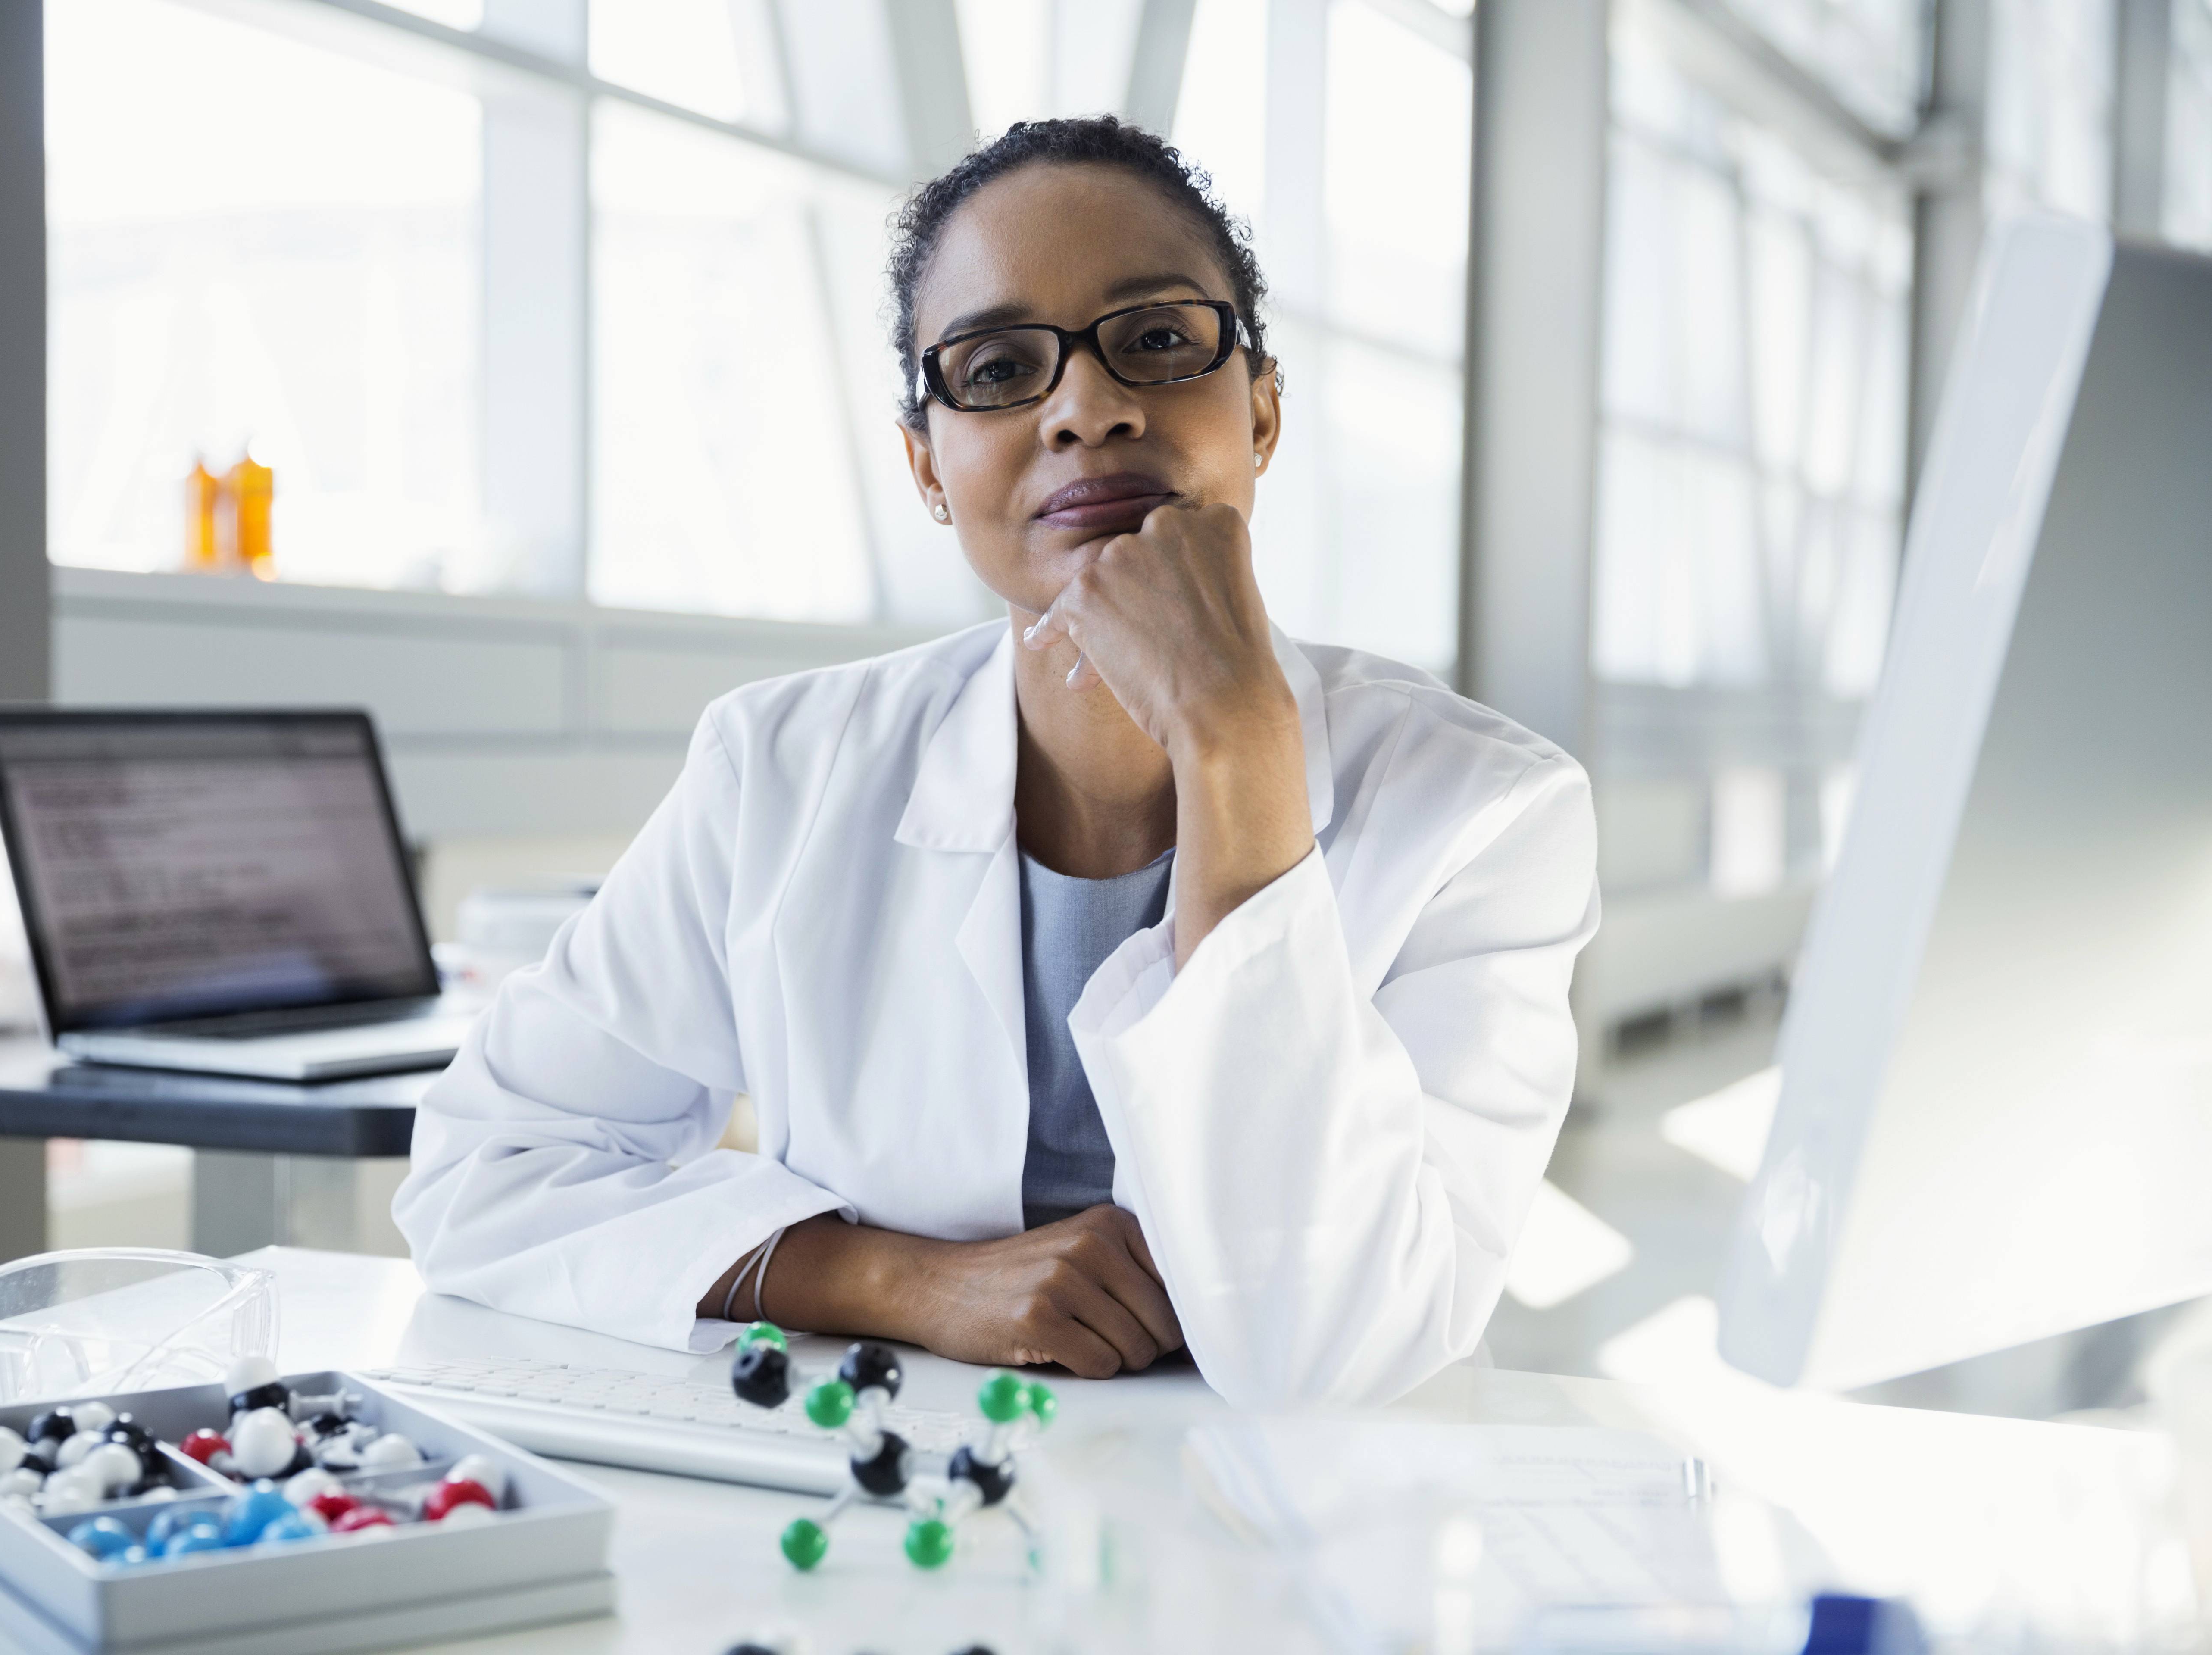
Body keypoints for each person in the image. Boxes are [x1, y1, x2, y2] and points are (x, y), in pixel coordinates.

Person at [394, 117, 1598, 1409]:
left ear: (1260, 413)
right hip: (884, 1526)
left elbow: (1337, 1350)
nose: (1087, 408)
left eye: (1154, 340)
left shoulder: (1489, 815)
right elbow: (487, 1172)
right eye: (998, 366)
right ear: (927, 464)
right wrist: (898, 1281)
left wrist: (1235, 744)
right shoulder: (778, 769)